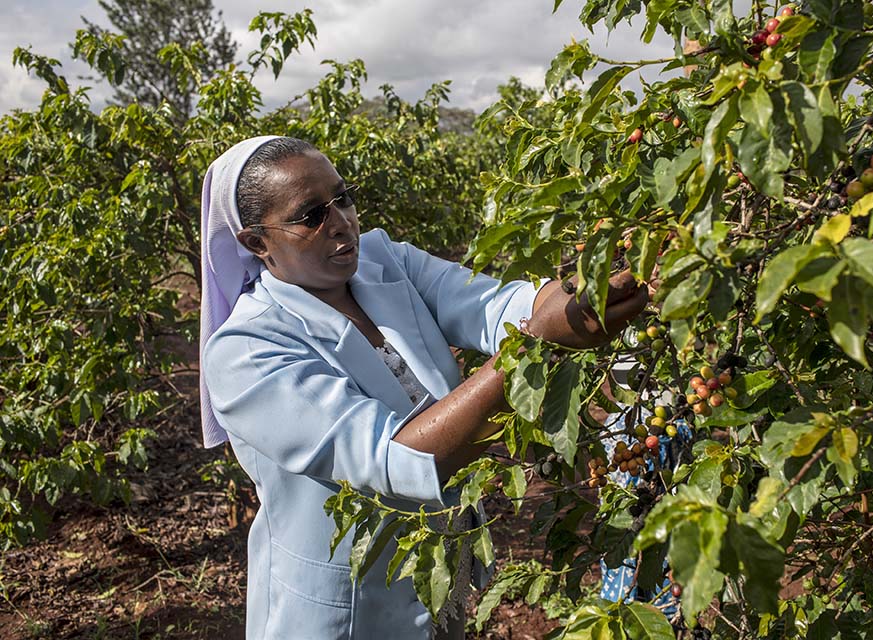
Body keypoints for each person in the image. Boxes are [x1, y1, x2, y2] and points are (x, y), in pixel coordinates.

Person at [198, 135, 649, 639]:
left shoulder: (385, 260)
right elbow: (391, 459)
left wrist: (577, 294)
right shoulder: (245, 351)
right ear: (256, 242)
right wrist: (534, 342)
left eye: (343, 198)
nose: (342, 222)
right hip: (349, 607)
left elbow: (490, 304)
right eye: (311, 215)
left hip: (438, 560)